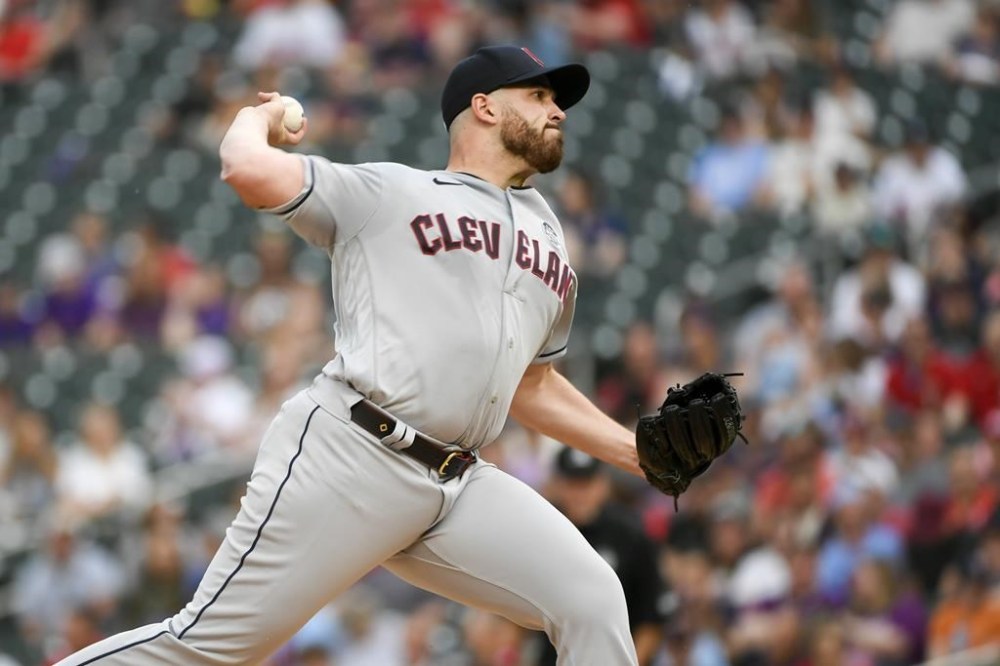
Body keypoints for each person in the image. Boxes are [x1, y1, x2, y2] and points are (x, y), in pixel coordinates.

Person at [56, 45, 644, 665]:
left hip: (459, 482)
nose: (558, 112)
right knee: (207, 649)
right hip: (354, 452)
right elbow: (245, 170)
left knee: (593, 599)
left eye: (557, 101)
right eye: (540, 96)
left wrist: (636, 454)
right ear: (485, 107)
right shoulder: (390, 192)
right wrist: (258, 118)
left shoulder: (548, 238)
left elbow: (533, 383)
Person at [534, 447, 667, 665]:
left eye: (586, 484)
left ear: (603, 484)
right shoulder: (543, 530)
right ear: (557, 485)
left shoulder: (630, 535)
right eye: (572, 484)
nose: (579, 494)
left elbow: (651, 620)